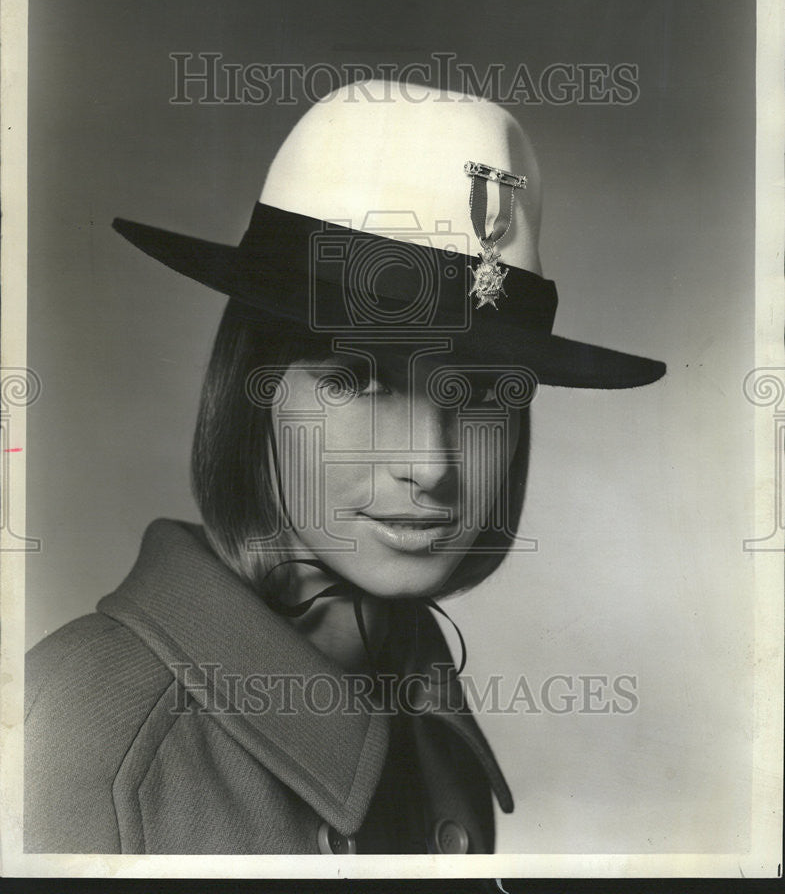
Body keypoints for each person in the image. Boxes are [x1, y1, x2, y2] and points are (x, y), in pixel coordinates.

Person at [24, 81, 665, 854]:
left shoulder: (419, 701)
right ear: (251, 396)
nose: (429, 464)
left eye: (481, 392)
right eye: (356, 380)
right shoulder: (83, 731)